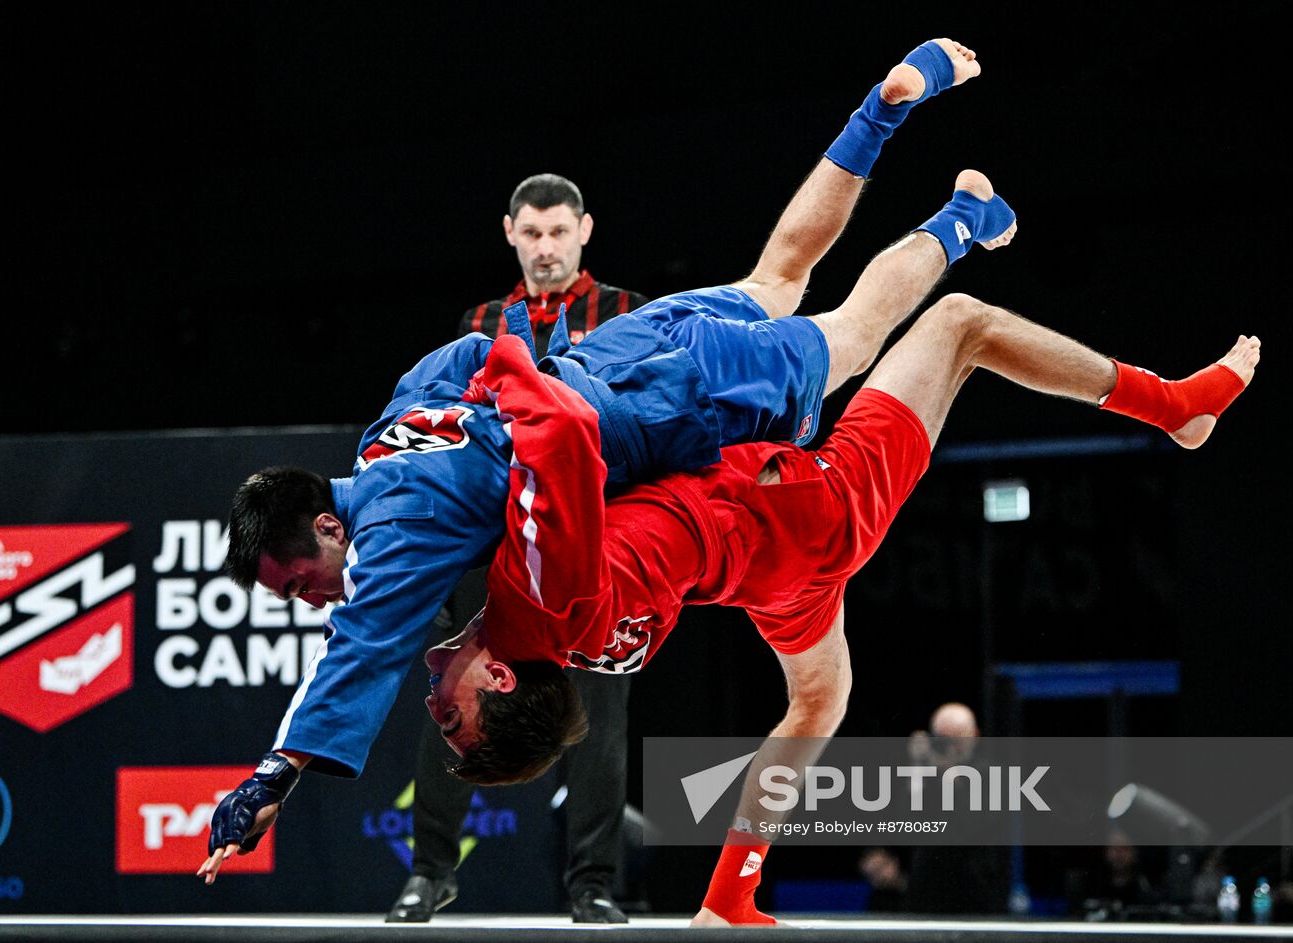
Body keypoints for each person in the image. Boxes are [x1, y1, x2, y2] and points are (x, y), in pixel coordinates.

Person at [200, 36, 1012, 884]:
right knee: (777, 277)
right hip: (624, 352)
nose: (315, 600)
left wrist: (274, 775)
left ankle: (961, 216)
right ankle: (878, 113)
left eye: (302, 581)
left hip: (669, 400)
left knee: (855, 334)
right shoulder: (384, 438)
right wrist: (514, 381)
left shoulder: (394, 536)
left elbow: (359, 650)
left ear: (330, 526)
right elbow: (464, 358)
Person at [417, 295, 1257, 923]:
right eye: (451, 716)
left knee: (819, 699)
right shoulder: (547, 597)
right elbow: (558, 444)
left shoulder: (561, 635)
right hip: (808, 510)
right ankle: (1173, 406)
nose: (430, 696)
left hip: (769, 578)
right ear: (500, 679)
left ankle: (730, 893)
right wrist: (504, 364)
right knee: (960, 322)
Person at [390, 174, 648, 924]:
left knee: (600, 718)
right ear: (510, 233)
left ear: (584, 230)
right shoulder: (479, 322)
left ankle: (592, 883)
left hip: (594, 546)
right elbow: (447, 431)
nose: (545, 248)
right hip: (491, 547)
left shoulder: (629, 313)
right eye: (531, 233)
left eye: (558, 232)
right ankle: (429, 873)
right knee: (451, 703)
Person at [904, 702, 1008, 915]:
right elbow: (905, 818)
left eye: (958, 740)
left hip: (977, 889)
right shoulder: (924, 773)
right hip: (928, 888)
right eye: (943, 739)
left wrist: (946, 771)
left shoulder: (992, 774)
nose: (950, 748)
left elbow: (974, 825)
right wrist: (916, 765)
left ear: (975, 736)